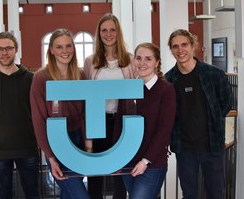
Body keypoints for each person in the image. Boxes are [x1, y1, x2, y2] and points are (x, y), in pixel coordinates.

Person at [165, 29, 232, 199]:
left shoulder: (214, 74)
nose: (180, 50)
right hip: (184, 149)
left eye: (184, 44)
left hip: (212, 146)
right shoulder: (168, 80)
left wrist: (214, 121)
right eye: (175, 46)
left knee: (216, 194)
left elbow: (226, 103)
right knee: (189, 195)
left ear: (193, 45)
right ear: (171, 50)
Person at [0, 32, 40, 199]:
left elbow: (38, 111)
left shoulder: (31, 79)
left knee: (32, 193)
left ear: (16, 49)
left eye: (9, 48)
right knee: (3, 195)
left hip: (27, 148)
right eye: (0, 49)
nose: (4, 52)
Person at [30, 28, 89, 199]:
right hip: (56, 142)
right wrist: (50, 157)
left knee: (69, 193)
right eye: (59, 47)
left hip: (78, 140)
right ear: (51, 50)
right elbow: (39, 120)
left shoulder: (81, 75)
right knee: (80, 195)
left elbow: (86, 114)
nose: (65, 51)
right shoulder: (41, 78)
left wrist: (87, 145)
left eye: (68, 46)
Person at [114, 43, 176, 199]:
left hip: (152, 164)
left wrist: (145, 161)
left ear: (157, 63)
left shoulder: (166, 90)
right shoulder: (127, 88)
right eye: (139, 58)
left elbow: (165, 130)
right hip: (128, 161)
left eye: (148, 59)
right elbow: (118, 125)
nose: (142, 63)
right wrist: (116, 158)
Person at [83, 13, 135, 199]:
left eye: (112, 29)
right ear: (99, 33)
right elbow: (87, 95)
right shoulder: (91, 61)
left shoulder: (130, 60)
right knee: (95, 171)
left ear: (118, 32)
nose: (108, 34)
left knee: (120, 171)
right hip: (98, 119)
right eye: (104, 30)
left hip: (121, 121)